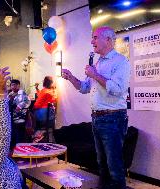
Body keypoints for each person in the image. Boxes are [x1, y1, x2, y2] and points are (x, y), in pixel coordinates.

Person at [62, 26, 130, 189]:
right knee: (102, 164)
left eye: (95, 37)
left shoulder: (120, 61)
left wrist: (95, 75)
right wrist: (71, 78)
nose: (92, 41)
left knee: (114, 166)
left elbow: (118, 89)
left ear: (108, 40)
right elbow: (85, 87)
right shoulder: (97, 63)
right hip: (97, 118)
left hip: (113, 118)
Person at [8, 79, 31, 145]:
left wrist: (19, 107)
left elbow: (27, 101)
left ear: (18, 85)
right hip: (12, 116)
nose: (13, 87)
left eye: (15, 85)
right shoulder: (10, 94)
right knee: (13, 132)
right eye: (12, 85)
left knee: (19, 133)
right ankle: (14, 147)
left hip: (20, 116)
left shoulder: (22, 93)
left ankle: (20, 147)